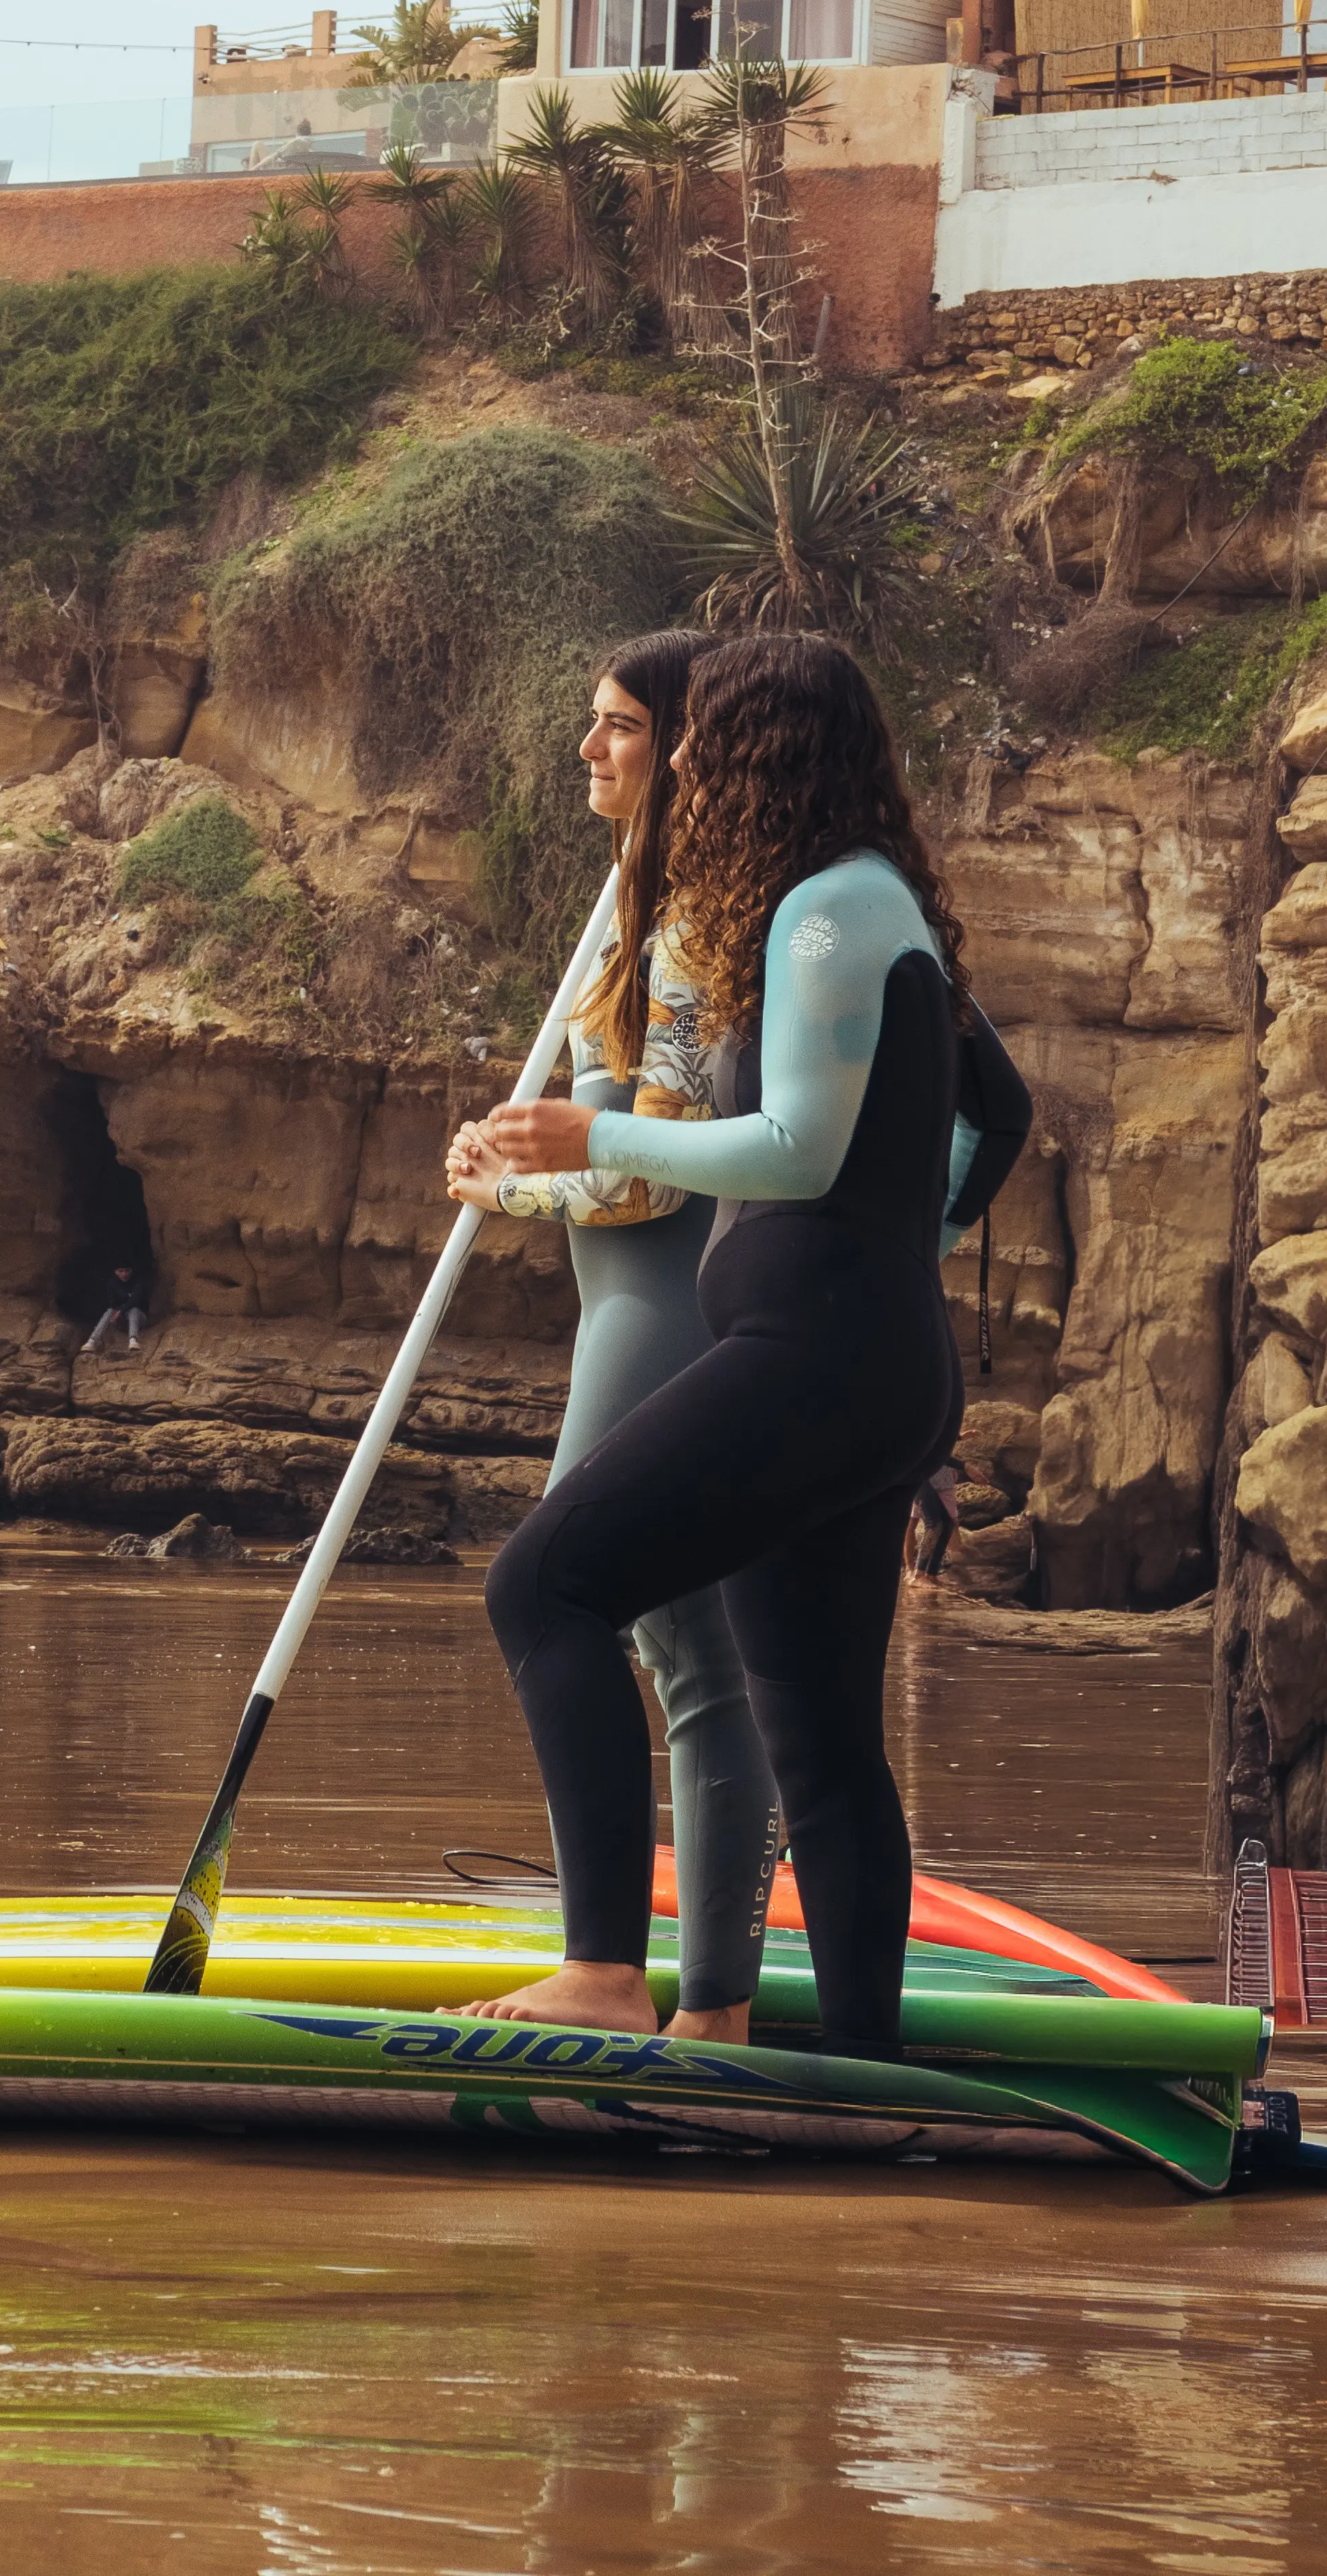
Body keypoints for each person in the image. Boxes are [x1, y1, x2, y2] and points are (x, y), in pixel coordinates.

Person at [461, 634, 969, 2049]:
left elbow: (799, 1151)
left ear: (766, 752)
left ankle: (603, 1970)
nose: (680, 762)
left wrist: (587, 1132)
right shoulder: (847, 903)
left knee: (542, 1588)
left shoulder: (821, 914)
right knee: (814, 1734)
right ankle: (862, 2069)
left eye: (700, 740)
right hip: (852, 1353)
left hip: (817, 1354)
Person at [445, 631, 780, 2046]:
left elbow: (662, 1163)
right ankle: (715, 2013)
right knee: (700, 1658)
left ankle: (600, 1967)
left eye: (615, 727)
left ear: (683, 746)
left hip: (654, 1309)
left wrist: (502, 1181)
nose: (587, 749)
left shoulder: (698, 920)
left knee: (548, 1594)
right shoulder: (636, 904)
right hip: (633, 1309)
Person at [85, 1255, 152, 1356]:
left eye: (127, 1271)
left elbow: (136, 1300)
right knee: (110, 1311)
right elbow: (112, 1304)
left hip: (140, 1319)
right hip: (121, 1320)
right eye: (121, 1271)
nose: (124, 1274)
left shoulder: (138, 1281)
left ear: (131, 1271)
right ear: (116, 1272)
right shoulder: (113, 1283)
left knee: (133, 1309)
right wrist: (119, 1313)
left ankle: (133, 1340)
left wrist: (121, 1310)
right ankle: (92, 1341)